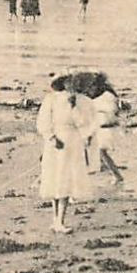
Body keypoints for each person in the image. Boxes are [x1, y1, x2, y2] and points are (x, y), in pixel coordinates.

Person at [37, 74, 96, 233]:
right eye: (69, 82)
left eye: (75, 82)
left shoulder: (82, 101)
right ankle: (56, 221)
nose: (72, 85)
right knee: (54, 178)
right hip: (56, 142)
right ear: (62, 83)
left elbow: (86, 123)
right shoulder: (51, 99)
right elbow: (43, 120)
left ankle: (59, 221)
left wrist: (75, 107)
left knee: (66, 179)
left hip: (72, 142)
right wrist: (51, 137)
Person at [83, 73, 127, 188]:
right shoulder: (106, 96)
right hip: (104, 128)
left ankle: (116, 175)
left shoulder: (106, 97)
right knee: (99, 152)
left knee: (101, 152)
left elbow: (108, 112)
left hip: (106, 128)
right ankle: (111, 172)